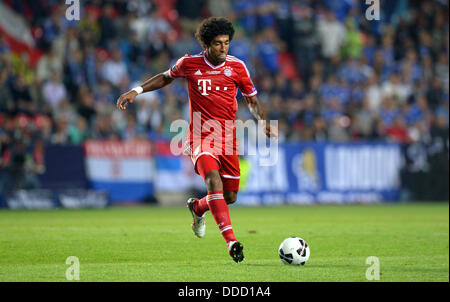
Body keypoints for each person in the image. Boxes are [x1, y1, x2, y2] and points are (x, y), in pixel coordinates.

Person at [116, 17, 278, 263]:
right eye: (217, 43)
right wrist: (136, 91)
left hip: (228, 138)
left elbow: (252, 100)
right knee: (213, 180)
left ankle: (198, 207)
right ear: (206, 45)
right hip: (199, 135)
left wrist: (263, 122)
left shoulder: (237, 67)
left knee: (230, 196)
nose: (223, 48)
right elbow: (165, 77)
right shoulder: (189, 63)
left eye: (226, 43)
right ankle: (231, 241)